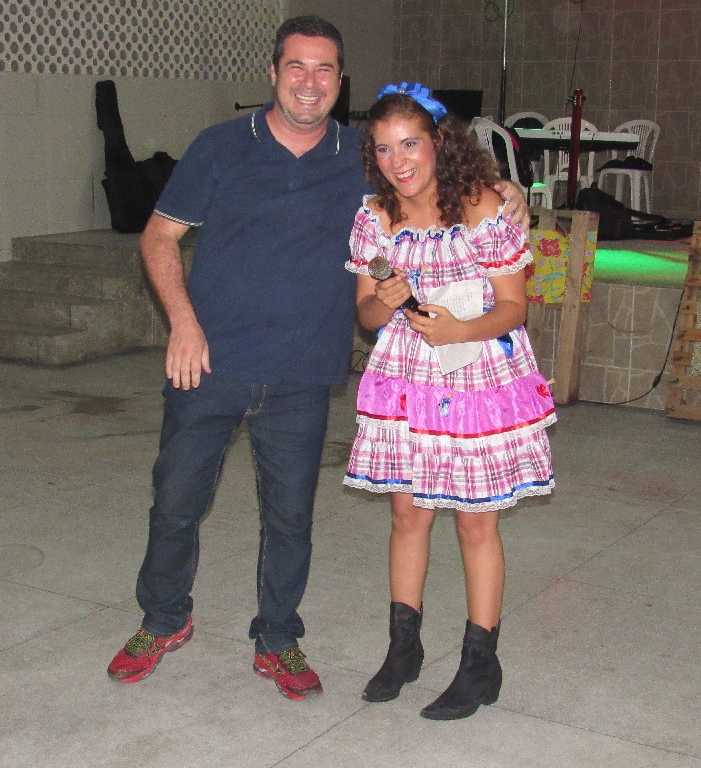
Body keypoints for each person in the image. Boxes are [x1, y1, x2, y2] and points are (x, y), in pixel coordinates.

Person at [106, 17, 530, 701]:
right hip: (210, 361)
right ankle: (162, 620)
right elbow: (158, 237)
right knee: (176, 503)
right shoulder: (219, 146)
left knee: (290, 519)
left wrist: (511, 195)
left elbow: (430, 175)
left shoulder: (360, 159)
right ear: (273, 73)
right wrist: (181, 324)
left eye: (325, 68)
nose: (310, 82)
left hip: (303, 370)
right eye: (297, 67)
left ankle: (278, 637)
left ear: (341, 81)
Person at [343, 83, 557, 720]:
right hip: (407, 376)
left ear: (438, 142)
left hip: (475, 376)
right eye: (384, 149)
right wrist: (385, 300)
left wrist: (461, 330)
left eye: (410, 143)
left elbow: (515, 307)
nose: (399, 161)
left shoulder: (483, 206)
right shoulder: (374, 218)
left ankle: (480, 665)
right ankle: (403, 649)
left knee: (474, 521)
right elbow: (366, 315)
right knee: (407, 515)